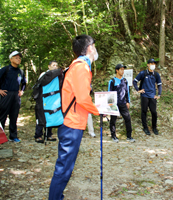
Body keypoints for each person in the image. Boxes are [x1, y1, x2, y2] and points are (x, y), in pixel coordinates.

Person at [49, 34, 100, 200]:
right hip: (71, 124)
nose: (95, 48)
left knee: (65, 166)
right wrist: (100, 110)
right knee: (64, 168)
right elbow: (83, 99)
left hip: (72, 122)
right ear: (90, 48)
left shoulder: (77, 66)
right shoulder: (81, 67)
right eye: (94, 45)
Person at [0, 51, 26, 143]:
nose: (18, 59)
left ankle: (13, 136)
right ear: (11, 59)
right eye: (16, 57)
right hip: (5, 95)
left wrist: (22, 91)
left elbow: (24, 83)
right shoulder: (6, 69)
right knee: (2, 116)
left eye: (19, 58)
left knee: (14, 116)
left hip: (16, 96)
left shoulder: (20, 71)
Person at [133, 58, 162, 135]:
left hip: (152, 96)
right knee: (144, 111)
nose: (153, 65)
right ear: (148, 65)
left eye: (154, 64)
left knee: (154, 112)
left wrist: (159, 95)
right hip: (144, 95)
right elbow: (135, 81)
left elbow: (159, 85)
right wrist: (138, 90)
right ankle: (145, 128)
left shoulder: (156, 74)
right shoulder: (143, 73)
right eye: (151, 64)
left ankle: (154, 128)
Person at [108, 64, 135, 143]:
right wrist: (110, 104)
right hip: (114, 104)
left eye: (123, 69)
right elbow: (109, 93)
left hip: (123, 103)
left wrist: (128, 101)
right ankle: (113, 136)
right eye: (121, 69)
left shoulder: (125, 81)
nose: (123, 71)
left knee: (128, 119)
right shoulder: (112, 81)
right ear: (117, 70)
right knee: (113, 120)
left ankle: (129, 136)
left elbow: (127, 92)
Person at [34, 61, 59, 143]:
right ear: (49, 66)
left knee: (50, 114)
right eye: (53, 65)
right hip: (42, 99)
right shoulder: (44, 74)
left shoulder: (56, 76)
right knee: (41, 116)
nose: (55, 67)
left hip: (51, 99)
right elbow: (40, 84)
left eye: (56, 65)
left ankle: (49, 135)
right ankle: (38, 135)